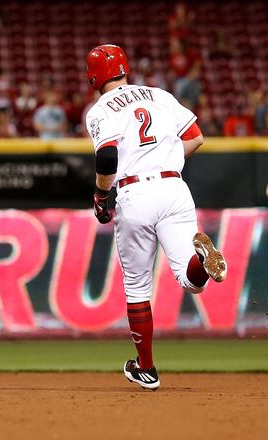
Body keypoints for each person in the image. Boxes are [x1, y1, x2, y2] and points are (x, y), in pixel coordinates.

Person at [84, 44, 227, 391]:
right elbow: (196, 137)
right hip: (175, 188)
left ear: (94, 78)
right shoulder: (159, 95)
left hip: (135, 194)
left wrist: (102, 196)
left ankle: (146, 369)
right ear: (124, 69)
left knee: (137, 287)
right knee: (191, 282)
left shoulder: (101, 108)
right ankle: (200, 260)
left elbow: (106, 159)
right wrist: (165, 158)